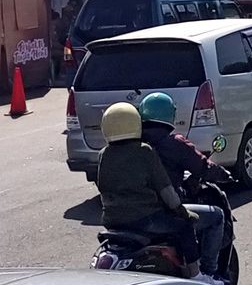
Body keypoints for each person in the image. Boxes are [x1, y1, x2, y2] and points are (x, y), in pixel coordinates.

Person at [96, 102, 226, 285]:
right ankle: (198, 276)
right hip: (146, 218)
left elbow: (102, 185)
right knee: (184, 226)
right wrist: (181, 211)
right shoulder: (144, 151)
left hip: (112, 220)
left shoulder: (104, 154)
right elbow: (165, 187)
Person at [138, 94, 231, 278]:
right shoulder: (174, 143)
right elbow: (202, 166)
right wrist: (224, 175)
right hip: (163, 211)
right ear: (169, 114)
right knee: (217, 217)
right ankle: (208, 274)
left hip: (135, 211)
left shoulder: (134, 144)